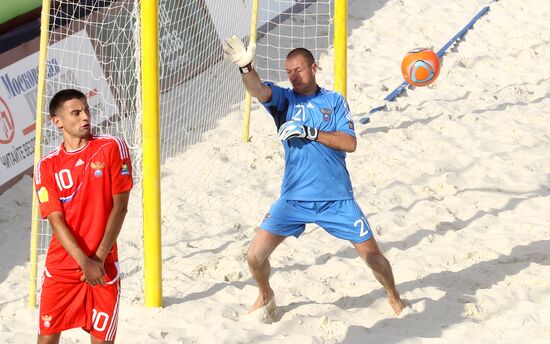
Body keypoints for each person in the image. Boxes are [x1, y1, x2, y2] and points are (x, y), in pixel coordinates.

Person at [223, 36, 406, 319]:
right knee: (254, 257)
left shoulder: (333, 101)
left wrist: (311, 132)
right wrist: (246, 68)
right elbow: (257, 90)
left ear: (314, 67)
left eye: (299, 70)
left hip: (336, 199)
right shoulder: (284, 100)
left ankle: (394, 296)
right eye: (288, 72)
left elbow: (350, 143)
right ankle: (265, 293)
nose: (293, 76)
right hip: (294, 199)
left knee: (373, 257)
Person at [34, 89, 133, 343]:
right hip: (63, 268)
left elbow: (120, 207)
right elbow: (56, 221)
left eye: (86, 110)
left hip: (103, 265)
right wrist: (84, 262)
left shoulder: (112, 147)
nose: (85, 117)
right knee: (46, 339)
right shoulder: (47, 166)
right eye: (75, 113)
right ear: (58, 121)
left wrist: (97, 258)